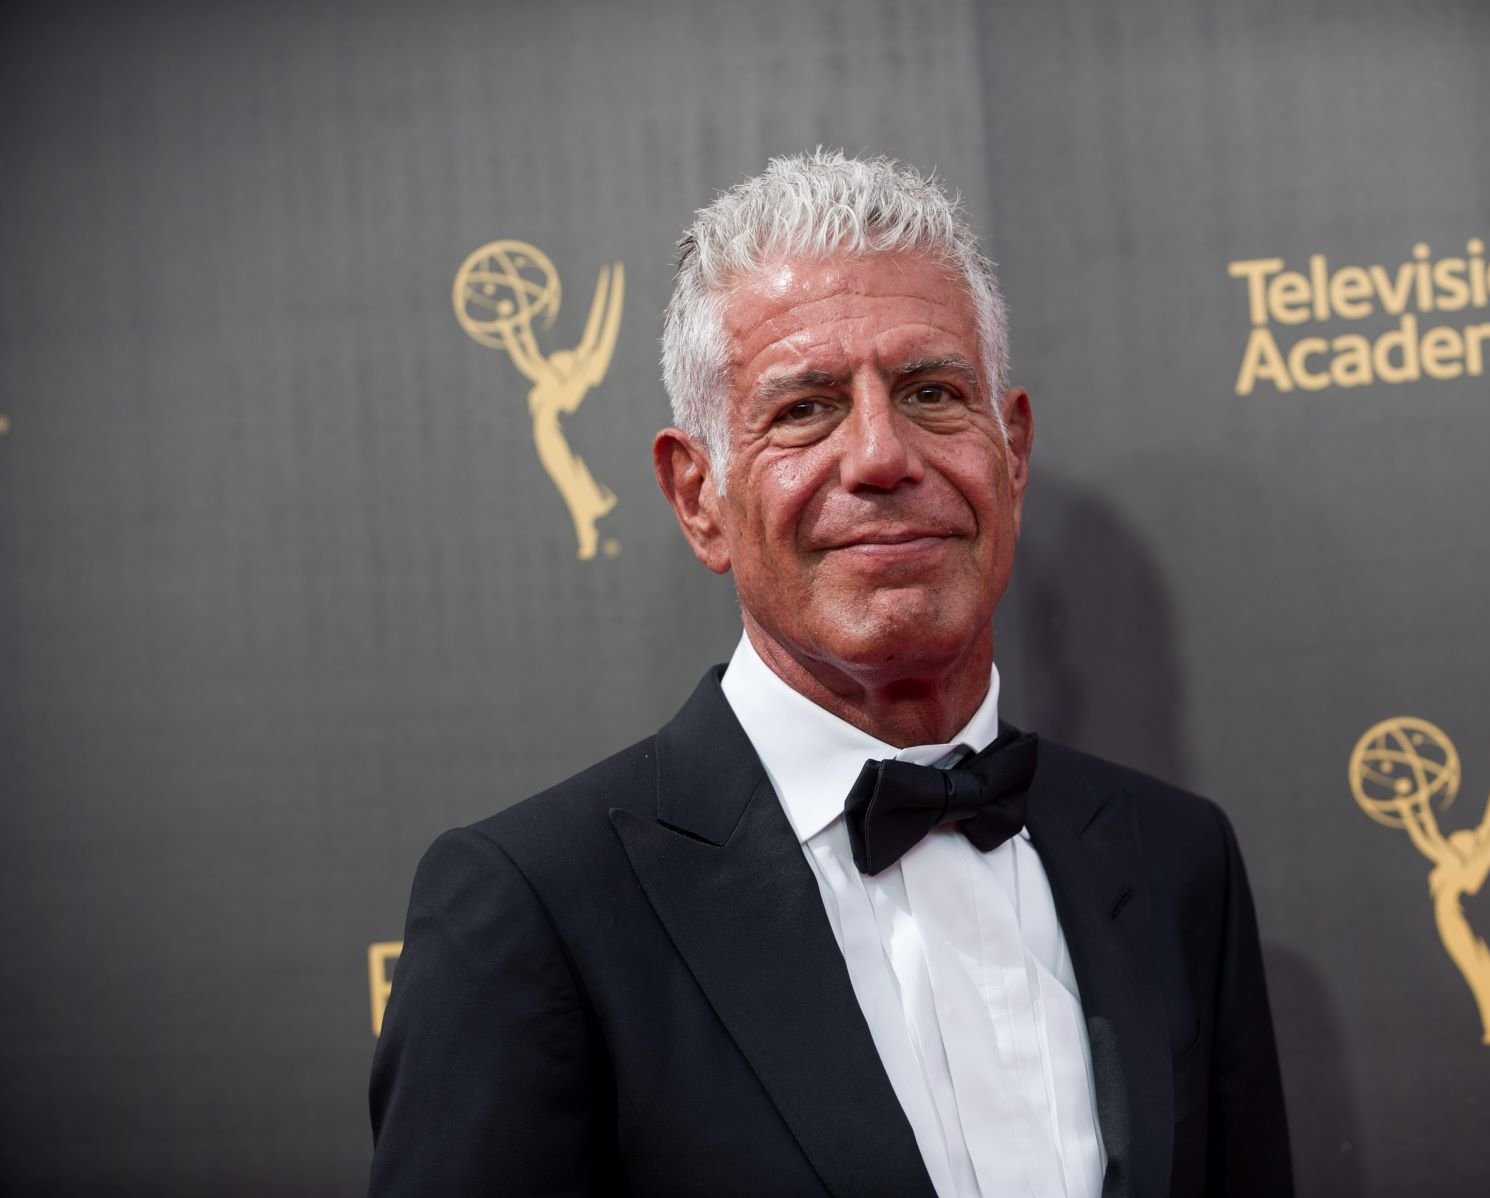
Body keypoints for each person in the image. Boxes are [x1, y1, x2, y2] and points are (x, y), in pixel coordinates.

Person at [369, 151, 1292, 1197]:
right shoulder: (535, 908)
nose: (880, 456)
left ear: (1012, 453)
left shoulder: (1177, 860)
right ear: (698, 496)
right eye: (804, 409)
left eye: (932, 391)